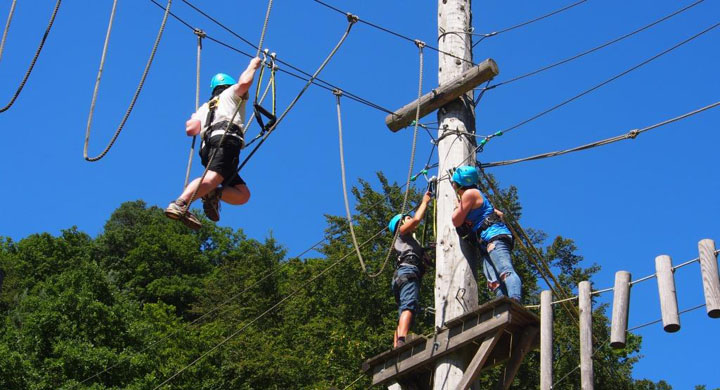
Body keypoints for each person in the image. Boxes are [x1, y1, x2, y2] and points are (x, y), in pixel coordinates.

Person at [165, 57, 262, 229]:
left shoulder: (206, 106)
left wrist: (196, 118)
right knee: (212, 178)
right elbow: (245, 82)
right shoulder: (231, 93)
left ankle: (212, 193)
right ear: (228, 85)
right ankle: (181, 203)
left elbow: (191, 129)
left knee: (242, 195)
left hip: (209, 148)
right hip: (226, 141)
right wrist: (253, 65)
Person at [450, 165, 522, 302]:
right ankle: (502, 305)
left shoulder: (470, 194)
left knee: (505, 270)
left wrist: (456, 206)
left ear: (458, 183)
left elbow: (456, 220)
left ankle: (515, 300)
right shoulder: (475, 194)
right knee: (493, 282)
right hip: (486, 242)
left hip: (494, 237)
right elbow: (498, 213)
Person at [388, 191, 433, 348]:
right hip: (407, 273)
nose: (408, 219)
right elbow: (415, 220)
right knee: (409, 305)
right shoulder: (400, 233)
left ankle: (397, 343)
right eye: (405, 218)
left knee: (403, 309)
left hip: (403, 274)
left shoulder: (409, 243)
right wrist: (425, 202)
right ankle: (401, 341)